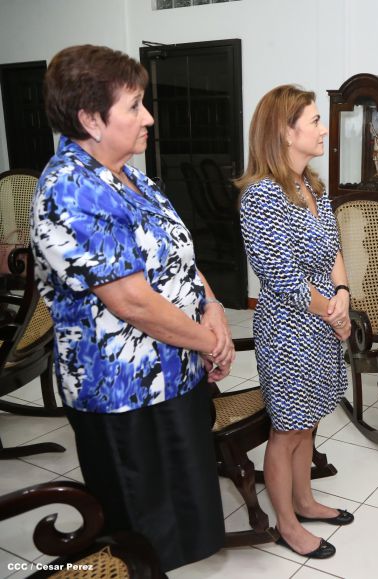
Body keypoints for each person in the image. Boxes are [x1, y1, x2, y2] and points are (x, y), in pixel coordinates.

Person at [31, 44, 234, 572]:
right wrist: (210, 340)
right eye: (135, 106)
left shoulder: (132, 175)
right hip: (120, 393)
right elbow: (132, 302)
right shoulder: (70, 188)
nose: (149, 118)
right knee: (141, 533)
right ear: (91, 120)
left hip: (174, 372)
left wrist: (212, 306)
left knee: (182, 512)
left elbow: (180, 255)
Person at [236, 85, 353, 560]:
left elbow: (335, 251)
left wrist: (343, 296)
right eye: (314, 120)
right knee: (286, 429)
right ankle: (285, 523)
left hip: (322, 322)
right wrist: (334, 313)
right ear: (285, 131)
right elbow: (282, 275)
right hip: (287, 329)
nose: (324, 129)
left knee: (308, 424)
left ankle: (304, 501)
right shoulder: (262, 196)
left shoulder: (313, 187)